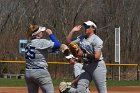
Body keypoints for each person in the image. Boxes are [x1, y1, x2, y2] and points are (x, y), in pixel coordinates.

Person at [65, 20, 107, 93]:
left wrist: (83, 55)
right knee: (80, 90)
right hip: (86, 66)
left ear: (93, 28)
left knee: (102, 91)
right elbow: (68, 42)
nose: (86, 28)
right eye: (85, 26)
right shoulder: (81, 38)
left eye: (88, 26)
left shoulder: (97, 40)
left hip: (97, 66)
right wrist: (72, 31)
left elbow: (97, 56)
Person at [25, 24, 60, 93]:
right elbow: (57, 45)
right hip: (40, 72)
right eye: (41, 31)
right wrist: (51, 34)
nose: (42, 33)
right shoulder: (41, 42)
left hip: (28, 73)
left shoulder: (28, 44)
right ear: (37, 34)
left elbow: (41, 51)